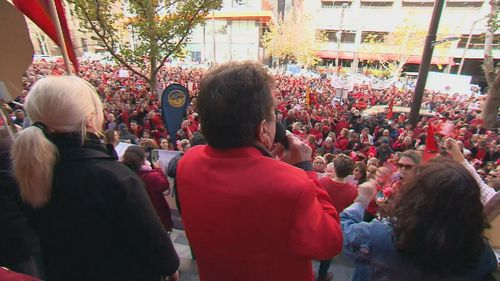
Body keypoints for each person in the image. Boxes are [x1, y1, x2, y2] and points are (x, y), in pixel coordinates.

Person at [176, 62, 342, 281]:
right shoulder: (293, 184)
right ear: (263, 128)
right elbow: (330, 242)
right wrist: (305, 168)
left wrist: (266, 159)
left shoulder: (188, 162)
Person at [10, 76, 179, 281]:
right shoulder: (116, 178)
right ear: (90, 119)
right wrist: (171, 268)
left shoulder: (27, 170)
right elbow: (159, 250)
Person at [341, 158, 496, 280]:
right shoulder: (482, 255)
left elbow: (341, 229)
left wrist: (362, 199)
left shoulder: (380, 237)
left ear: (416, 196)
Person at [317, 154, 358, 281]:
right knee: (328, 253)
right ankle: (322, 276)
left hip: (318, 220)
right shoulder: (353, 190)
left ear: (334, 168)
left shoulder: (322, 181)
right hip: (335, 224)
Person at [122, 146, 173, 232]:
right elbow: (164, 185)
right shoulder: (151, 176)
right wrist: (158, 169)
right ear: (143, 159)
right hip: (154, 212)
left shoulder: (122, 172)